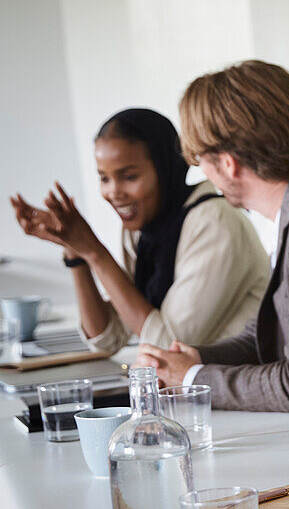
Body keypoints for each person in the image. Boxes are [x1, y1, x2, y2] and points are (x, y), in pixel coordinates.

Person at [138, 60, 289, 420]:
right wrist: (197, 358)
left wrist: (192, 378)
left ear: (227, 164)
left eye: (200, 160)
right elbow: (270, 334)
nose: (201, 172)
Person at [10, 108, 269, 352]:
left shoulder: (216, 221)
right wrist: (74, 250)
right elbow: (107, 338)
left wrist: (95, 252)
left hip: (235, 390)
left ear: (165, 167)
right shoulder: (144, 229)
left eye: (129, 177)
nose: (113, 193)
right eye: (104, 178)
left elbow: (169, 346)